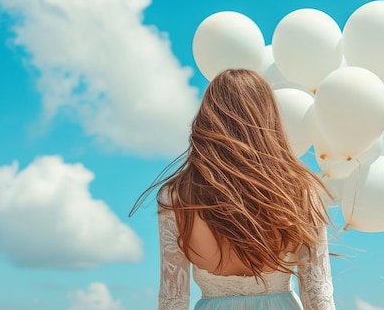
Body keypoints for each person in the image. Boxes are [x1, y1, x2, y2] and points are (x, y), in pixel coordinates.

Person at [131, 69, 336, 310]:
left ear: (208, 117)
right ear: (267, 119)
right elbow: (317, 293)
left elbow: (172, 298)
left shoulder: (176, 197)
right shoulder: (299, 193)